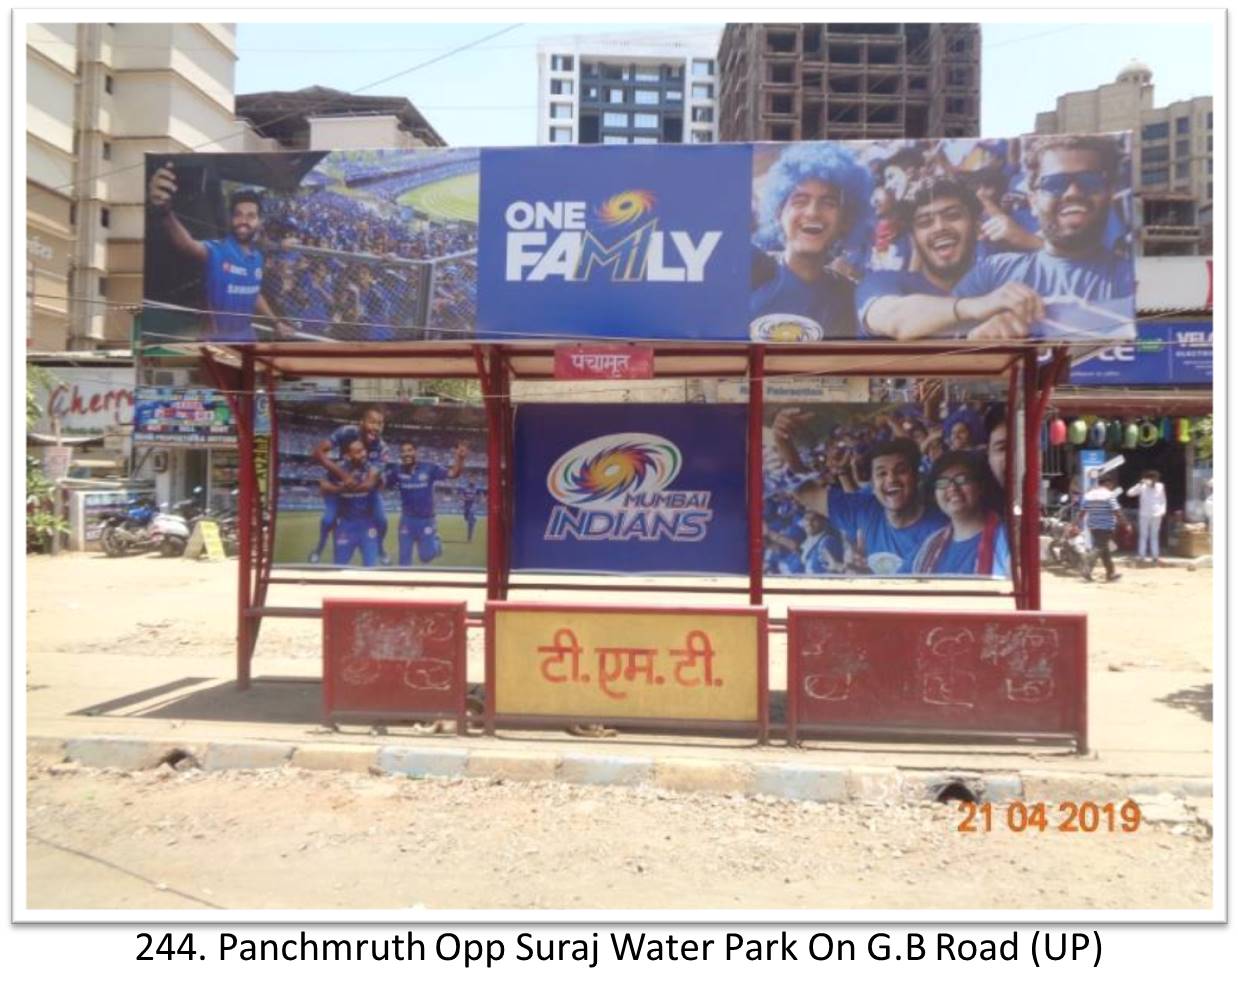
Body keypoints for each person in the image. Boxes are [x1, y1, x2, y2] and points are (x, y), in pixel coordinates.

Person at [947, 134, 1136, 341]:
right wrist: (976, 336)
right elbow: (912, 324)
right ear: (1033, 201)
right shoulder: (993, 271)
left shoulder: (1133, 279)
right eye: (1054, 183)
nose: (1073, 192)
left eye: (1089, 181)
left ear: (1109, 195)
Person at [773, 410, 947, 574]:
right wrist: (782, 440)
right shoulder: (863, 510)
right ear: (872, 482)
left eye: (901, 471)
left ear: (916, 477)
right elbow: (803, 491)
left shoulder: (943, 529)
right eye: (881, 473)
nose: (891, 479)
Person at [146, 162, 293, 342]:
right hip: (218, 346)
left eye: (251, 216)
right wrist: (164, 211)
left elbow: (253, 293)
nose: (243, 221)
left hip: (248, 340)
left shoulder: (257, 258)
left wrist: (275, 322)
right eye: (238, 214)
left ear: (259, 222)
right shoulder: (218, 251)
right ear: (230, 219)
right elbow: (187, 244)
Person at [750, 144, 872, 339]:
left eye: (828, 203)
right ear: (778, 212)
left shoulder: (853, 297)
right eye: (800, 200)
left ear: (846, 220)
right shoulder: (750, 269)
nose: (813, 212)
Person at [308, 408, 391, 565]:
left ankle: (380, 548)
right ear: (362, 423)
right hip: (343, 476)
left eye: (380, 424)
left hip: (361, 485)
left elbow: (369, 484)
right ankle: (318, 549)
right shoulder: (346, 432)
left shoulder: (382, 448)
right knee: (328, 519)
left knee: (382, 520)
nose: (376, 427)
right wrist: (343, 476)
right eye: (372, 422)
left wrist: (333, 487)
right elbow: (317, 453)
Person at [908, 450, 1010, 576]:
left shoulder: (1008, 539)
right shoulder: (929, 545)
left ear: (980, 487)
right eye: (942, 482)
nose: (952, 488)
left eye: (962, 479)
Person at [389, 440, 468, 566]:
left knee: (426, 557)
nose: (406, 454)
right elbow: (382, 484)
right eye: (403, 451)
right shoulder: (397, 471)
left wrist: (460, 458)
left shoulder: (429, 467)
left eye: (409, 450)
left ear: (416, 452)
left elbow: (453, 474)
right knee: (404, 561)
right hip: (407, 521)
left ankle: (436, 543)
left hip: (426, 520)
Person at [321, 439, 381, 567]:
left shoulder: (373, 467)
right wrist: (340, 489)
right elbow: (323, 486)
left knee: (372, 569)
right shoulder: (338, 469)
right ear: (348, 455)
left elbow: (369, 484)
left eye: (364, 450)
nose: (364, 454)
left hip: (368, 525)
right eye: (358, 452)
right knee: (339, 569)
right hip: (345, 525)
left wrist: (348, 487)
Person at [1076, 472, 1128, 582]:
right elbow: (1117, 511)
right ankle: (1086, 569)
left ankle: (1111, 573)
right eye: (1112, 484)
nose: (1112, 486)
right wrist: (1125, 524)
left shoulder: (1088, 495)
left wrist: (1075, 524)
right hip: (1105, 526)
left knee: (1104, 550)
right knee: (1099, 548)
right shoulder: (1109, 495)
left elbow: (1082, 512)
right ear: (1108, 483)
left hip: (1093, 526)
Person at [1127, 469, 1168, 566]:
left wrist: (1163, 510)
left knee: (1154, 535)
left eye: (1156, 479)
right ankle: (1142, 556)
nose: (1154, 481)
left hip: (1157, 514)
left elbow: (1163, 500)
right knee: (1143, 535)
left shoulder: (1160, 486)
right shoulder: (1142, 487)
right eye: (1152, 479)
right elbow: (1129, 493)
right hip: (1144, 514)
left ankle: (1155, 556)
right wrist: (1139, 484)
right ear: (1148, 479)